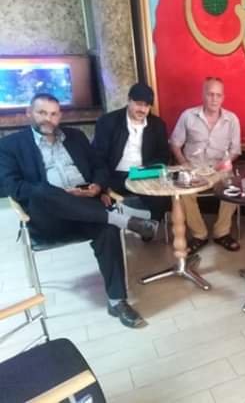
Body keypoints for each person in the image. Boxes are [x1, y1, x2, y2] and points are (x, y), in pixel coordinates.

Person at [0, 93, 160, 328]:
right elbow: (11, 186)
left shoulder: (75, 136)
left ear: (60, 116)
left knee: (108, 229)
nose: (48, 119)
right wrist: (62, 194)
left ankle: (117, 301)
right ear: (28, 113)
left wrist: (97, 186)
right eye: (42, 113)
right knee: (44, 190)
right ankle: (125, 219)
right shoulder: (10, 145)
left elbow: (99, 166)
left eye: (53, 114)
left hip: (87, 207)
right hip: (49, 218)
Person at [169, 77, 241, 254]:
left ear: (223, 97)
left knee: (233, 187)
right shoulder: (188, 116)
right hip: (193, 168)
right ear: (203, 95)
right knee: (182, 192)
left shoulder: (232, 119)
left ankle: (221, 232)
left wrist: (225, 163)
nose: (214, 99)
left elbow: (236, 150)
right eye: (210, 94)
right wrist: (184, 163)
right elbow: (175, 144)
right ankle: (199, 234)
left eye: (218, 95)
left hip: (219, 168)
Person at [92, 83, 171, 223]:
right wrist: (102, 186)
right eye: (139, 104)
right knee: (106, 205)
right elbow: (98, 157)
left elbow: (163, 156)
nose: (142, 109)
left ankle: (145, 226)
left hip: (144, 175)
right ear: (129, 100)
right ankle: (133, 221)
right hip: (116, 176)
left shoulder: (157, 125)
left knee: (162, 199)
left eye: (147, 106)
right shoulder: (108, 122)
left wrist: (146, 169)